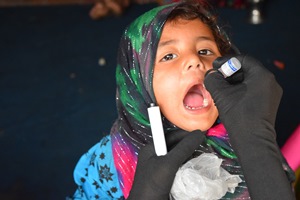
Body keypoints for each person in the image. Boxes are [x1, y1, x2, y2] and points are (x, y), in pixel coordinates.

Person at [69, 0, 296, 199]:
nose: (194, 61)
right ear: (137, 85)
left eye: (205, 51)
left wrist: (256, 142)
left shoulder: (248, 134)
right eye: (169, 56)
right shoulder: (108, 160)